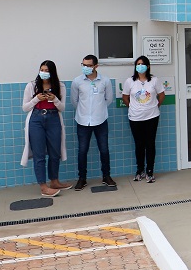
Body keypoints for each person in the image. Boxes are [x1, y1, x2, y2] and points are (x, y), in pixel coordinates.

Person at [21, 60, 71, 197]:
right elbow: (25, 107)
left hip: (53, 118)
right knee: (39, 154)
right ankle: (43, 186)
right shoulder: (31, 86)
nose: (43, 73)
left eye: (47, 70)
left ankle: (54, 181)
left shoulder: (60, 86)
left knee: (55, 151)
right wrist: (36, 99)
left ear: (52, 72)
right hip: (36, 119)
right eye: (41, 69)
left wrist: (54, 99)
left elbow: (62, 107)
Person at [70, 54, 115, 191]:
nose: (86, 67)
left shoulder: (105, 81)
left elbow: (109, 99)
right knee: (82, 151)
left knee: (104, 150)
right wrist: (85, 113)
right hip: (83, 121)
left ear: (96, 66)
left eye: (89, 65)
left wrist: (98, 111)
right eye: (83, 65)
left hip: (100, 120)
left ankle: (106, 176)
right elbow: (74, 101)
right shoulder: (77, 81)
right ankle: (82, 178)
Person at [122, 55, 165, 183]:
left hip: (152, 116)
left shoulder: (154, 80)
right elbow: (125, 97)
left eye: (142, 64)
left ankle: (150, 171)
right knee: (139, 144)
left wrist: (155, 106)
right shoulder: (130, 81)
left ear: (148, 66)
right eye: (138, 64)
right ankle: (140, 170)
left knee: (150, 144)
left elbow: (162, 95)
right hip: (135, 118)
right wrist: (132, 107)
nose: (140, 66)